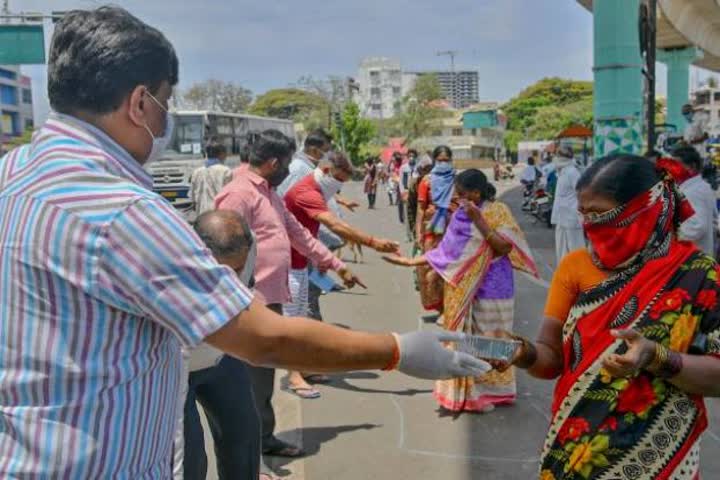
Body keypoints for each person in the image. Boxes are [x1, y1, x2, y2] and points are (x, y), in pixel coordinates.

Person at [0, 9, 492, 478]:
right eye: (166, 103)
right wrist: (398, 349)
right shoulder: (122, 209)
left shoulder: (12, 175)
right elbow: (261, 337)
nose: (165, 120)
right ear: (140, 103)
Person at [504, 154, 720, 479]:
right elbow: (551, 360)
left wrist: (655, 356)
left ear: (645, 208)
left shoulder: (699, 275)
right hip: (577, 448)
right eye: (584, 214)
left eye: (601, 214)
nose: (590, 225)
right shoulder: (576, 266)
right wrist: (520, 353)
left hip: (659, 454)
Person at [214, 129, 361, 457]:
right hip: (248, 302)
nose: (289, 171)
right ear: (274, 162)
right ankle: (249, 452)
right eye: (286, 164)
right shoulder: (238, 194)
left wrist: (336, 264)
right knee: (248, 383)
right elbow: (224, 253)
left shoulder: (268, 191)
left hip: (269, 297)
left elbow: (297, 234)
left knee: (262, 379)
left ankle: (262, 440)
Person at [383, 169, 537, 413]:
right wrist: (412, 262)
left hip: (495, 285)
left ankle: (494, 390)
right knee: (467, 340)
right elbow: (448, 252)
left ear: (477, 193)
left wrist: (480, 220)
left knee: (492, 339)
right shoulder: (460, 215)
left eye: (462, 195)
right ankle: (472, 394)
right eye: (456, 196)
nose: (458, 200)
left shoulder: (498, 211)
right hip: (464, 286)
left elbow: (504, 247)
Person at [283, 151, 400, 397]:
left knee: (302, 317)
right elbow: (334, 225)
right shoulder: (307, 191)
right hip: (288, 264)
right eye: (338, 179)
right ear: (325, 171)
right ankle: (294, 375)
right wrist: (373, 242)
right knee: (292, 322)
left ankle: (304, 367)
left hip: (302, 260)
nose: (339, 185)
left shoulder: (320, 188)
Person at [175, 210, 261, 480]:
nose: (230, 280)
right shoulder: (171, 259)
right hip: (178, 368)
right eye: (221, 270)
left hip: (224, 357)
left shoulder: (250, 245)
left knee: (244, 435)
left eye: (237, 268)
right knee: (190, 460)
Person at [415, 145, 456, 313]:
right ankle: (439, 308)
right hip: (431, 230)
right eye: (440, 161)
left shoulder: (457, 180)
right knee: (430, 268)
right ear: (434, 161)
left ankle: (451, 306)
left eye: (447, 160)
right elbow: (420, 208)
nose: (443, 163)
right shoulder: (426, 181)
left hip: (454, 229)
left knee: (452, 267)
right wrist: (418, 232)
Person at [669, 145, 718, 256]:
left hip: (692, 257)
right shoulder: (702, 186)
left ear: (691, 167)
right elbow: (713, 221)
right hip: (700, 254)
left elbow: (697, 227)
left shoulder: (692, 192)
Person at [551, 146, 585, 262]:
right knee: (562, 251)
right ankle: (565, 275)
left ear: (562, 158)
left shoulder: (572, 172)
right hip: (561, 218)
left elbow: (581, 193)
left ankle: (580, 275)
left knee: (575, 249)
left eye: (557, 156)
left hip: (571, 218)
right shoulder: (561, 171)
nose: (554, 159)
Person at [189, 140, 233, 217]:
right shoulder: (225, 171)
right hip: (219, 215)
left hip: (201, 215)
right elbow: (230, 198)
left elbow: (192, 198)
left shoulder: (197, 172)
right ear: (221, 154)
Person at [407, 155, 433, 245]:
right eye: (424, 170)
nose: (427, 172)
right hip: (420, 223)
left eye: (429, 169)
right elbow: (411, 209)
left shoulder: (437, 182)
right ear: (419, 170)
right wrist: (415, 230)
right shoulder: (414, 184)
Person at [399, 149, 418, 238]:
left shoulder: (418, 167)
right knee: (407, 214)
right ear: (407, 157)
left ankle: (416, 232)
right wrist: (403, 192)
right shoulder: (403, 168)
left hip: (416, 193)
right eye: (410, 156)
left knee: (416, 214)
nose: (411, 158)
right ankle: (408, 234)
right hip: (406, 192)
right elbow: (401, 181)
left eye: (413, 156)